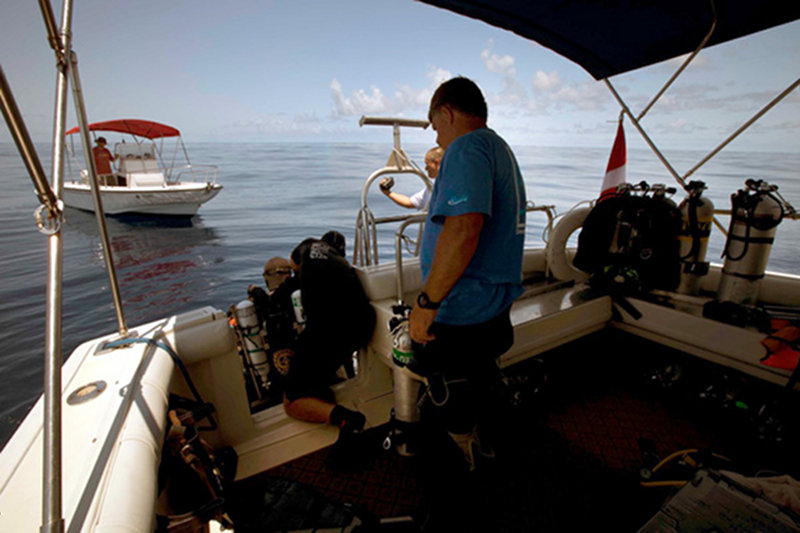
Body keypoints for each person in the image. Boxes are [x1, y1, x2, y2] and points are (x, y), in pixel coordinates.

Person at [409, 77, 527, 472]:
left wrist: (427, 303)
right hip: (492, 305)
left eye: (435, 125)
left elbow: (463, 229)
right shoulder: (499, 148)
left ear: (446, 112)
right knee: (480, 384)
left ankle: (459, 470)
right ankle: (487, 448)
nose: (438, 136)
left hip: (463, 309)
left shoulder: (465, 147)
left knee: (449, 398)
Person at [282, 237, 376, 436]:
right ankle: (320, 391)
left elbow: (292, 276)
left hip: (331, 329)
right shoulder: (334, 258)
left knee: (291, 401)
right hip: (363, 322)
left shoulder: (303, 252)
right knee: (318, 366)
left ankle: (347, 420)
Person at [379, 146, 444, 209]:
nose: (425, 168)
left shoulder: (448, 187)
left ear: (437, 163)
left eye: (427, 165)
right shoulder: (434, 187)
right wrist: (387, 192)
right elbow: (410, 202)